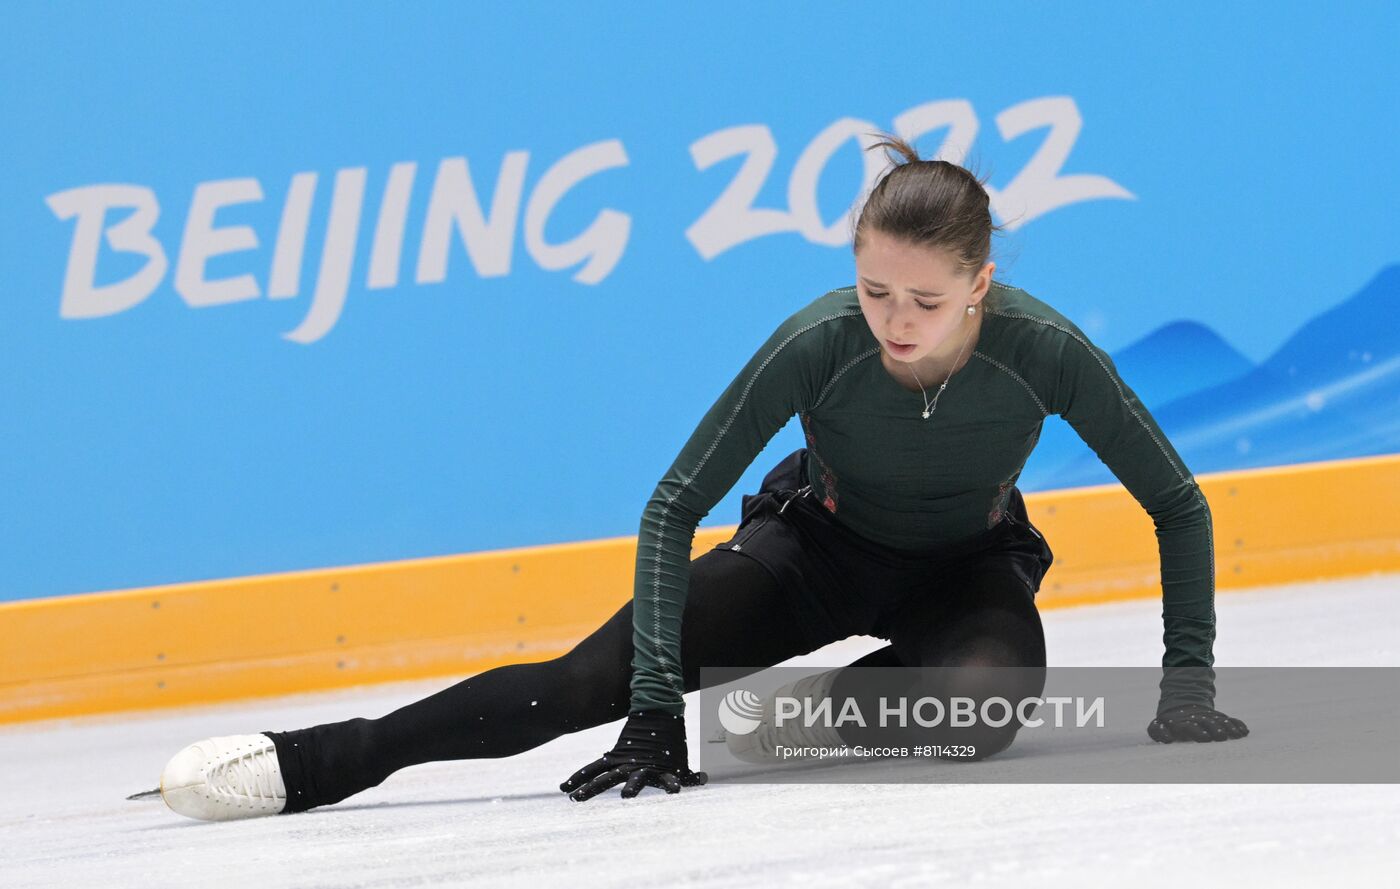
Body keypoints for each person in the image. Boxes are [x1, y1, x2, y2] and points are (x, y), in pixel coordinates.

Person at [157, 135, 1247, 822]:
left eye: (923, 302)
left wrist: (1186, 683)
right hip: (808, 552)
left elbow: (1176, 504)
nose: (893, 324)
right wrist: (643, 710)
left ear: (980, 286)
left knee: (981, 706)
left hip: (961, 567)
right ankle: (316, 760)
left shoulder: (1043, 351)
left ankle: (750, 714)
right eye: (873, 292)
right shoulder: (814, 342)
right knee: (578, 686)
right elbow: (674, 503)